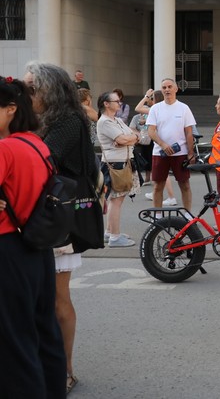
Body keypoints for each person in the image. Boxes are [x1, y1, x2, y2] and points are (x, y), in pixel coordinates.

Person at [23, 62, 102, 394]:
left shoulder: (68, 120)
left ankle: (66, 368)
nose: (24, 94)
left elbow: (44, 159)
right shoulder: (38, 120)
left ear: (48, 91)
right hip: (37, 217)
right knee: (35, 298)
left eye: (30, 88)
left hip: (58, 220)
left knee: (57, 299)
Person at [0, 76, 66, 398]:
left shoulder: (5, 149)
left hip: (8, 247)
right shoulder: (35, 143)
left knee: (14, 340)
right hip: (38, 246)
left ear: (10, 109)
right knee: (44, 332)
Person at [97, 90, 139, 247]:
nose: (119, 104)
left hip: (122, 162)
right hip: (115, 165)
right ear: (106, 104)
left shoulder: (117, 120)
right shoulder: (105, 122)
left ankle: (110, 232)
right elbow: (123, 138)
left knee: (117, 199)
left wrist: (130, 139)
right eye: (116, 101)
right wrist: (128, 139)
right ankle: (115, 237)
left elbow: (134, 134)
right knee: (116, 200)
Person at [146, 78, 196, 209]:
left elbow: (189, 132)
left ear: (176, 89)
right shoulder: (155, 108)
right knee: (158, 186)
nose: (167, 90)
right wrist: (163, 144)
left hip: (181, 152)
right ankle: (157, 216)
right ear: (161, 90)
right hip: (160, 152)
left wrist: (191, 152)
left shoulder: (184, 108)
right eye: (164, 87)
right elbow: (151, 131)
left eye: (169, 87)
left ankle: (188, 214)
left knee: (185, 184)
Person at [137, 90, 177, 205]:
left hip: (159, 143)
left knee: (162, 171)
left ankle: (171, 197)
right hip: (163, 141)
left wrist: (146, 96)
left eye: (152, 98)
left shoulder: (155, 109)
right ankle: (156, 191)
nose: (150, 100)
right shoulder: (166, 109)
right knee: (158, 170)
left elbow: (138, 108)